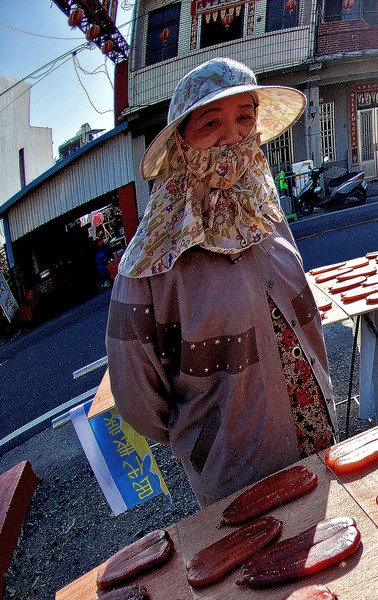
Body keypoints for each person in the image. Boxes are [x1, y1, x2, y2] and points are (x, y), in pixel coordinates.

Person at [107, 58, 335, 507]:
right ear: (181, 144)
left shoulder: (268, 221)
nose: (231, 137)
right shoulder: (151, 262)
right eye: (211, 123)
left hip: (319, 440)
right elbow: (138, 399)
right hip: (237, 481)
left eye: (243, 119)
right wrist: (205, 441)